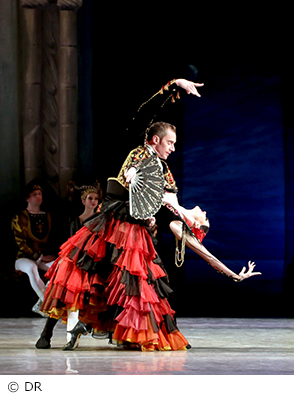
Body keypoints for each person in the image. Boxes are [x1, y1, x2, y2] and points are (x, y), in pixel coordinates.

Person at [40, 78, 261, 351]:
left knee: (130, 285)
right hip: (111, 221)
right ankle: (48, 331)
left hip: (132, 232)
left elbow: (196, 244)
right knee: (77, 269)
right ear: (156, 140)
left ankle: (101, 330)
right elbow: (144, 114)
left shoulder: (169, 192)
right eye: (170, 142)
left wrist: (232, 274)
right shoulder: (137, 149)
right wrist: (172, 86)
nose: (173, 148)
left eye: (174, 143)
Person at [36, 184, 101, 349]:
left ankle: (70, 335)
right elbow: (72, 242)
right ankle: (46, 334)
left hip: (91, 263)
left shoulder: (99, 221)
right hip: (75, 260)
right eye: (90, 198)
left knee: (86, 298)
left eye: (96, 198)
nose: (93, 201)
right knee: (62, 295)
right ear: (83, 201)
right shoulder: (76, 220)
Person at [11, 181, 57, 317]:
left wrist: (45, 256)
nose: (38, 196)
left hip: (42, 256)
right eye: (35, 194)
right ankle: (46, 305)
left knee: (58, 268)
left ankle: (44, 302)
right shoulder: (20, 216)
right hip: (24, 257)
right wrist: (39, 257)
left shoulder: (47, 215)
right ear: (27, 198)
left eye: (40, 194)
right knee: (32, 268)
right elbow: (21, 243)